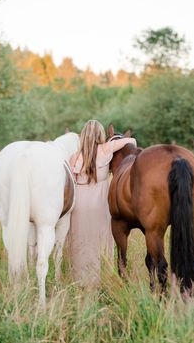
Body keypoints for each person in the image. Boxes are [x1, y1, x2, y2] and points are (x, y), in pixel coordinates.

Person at [69, 120, 137, 286]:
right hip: (100, 200)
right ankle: (101, 277)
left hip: (81, 200)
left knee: (80, 237)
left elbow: (70, 178)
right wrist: (112, 141)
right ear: (101, 134)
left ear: (83, 135)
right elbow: (132, 141)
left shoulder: (74, 156)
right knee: (101, 237)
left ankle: (81, 279)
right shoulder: (106, 148)